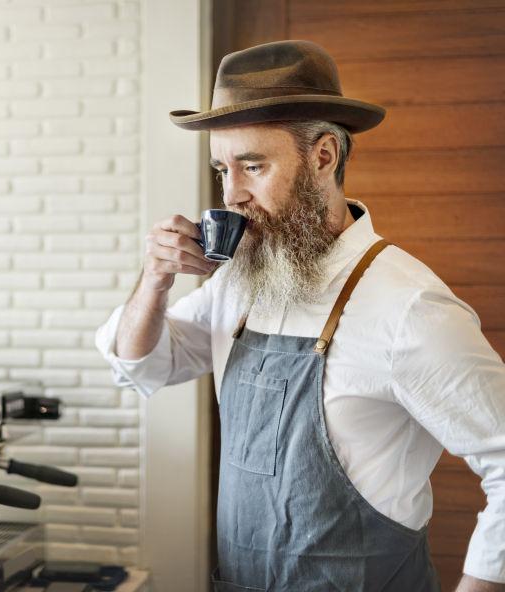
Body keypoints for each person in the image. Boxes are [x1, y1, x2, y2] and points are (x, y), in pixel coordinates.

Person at [95, 40, 505, 591]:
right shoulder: (239, 283)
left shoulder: (408, 306)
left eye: (253, 166)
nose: (232, 194)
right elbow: (139, 363)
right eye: (222, 170)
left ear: (324, 157)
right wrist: (154, 280)